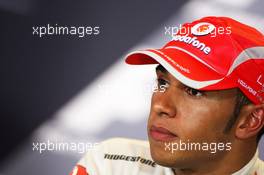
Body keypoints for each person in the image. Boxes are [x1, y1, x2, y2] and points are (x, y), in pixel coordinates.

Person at [70, 16, 264, 175]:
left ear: (250, 120)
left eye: (194, 91)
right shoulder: (110, 164)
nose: (160, 105)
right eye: (163, 83)